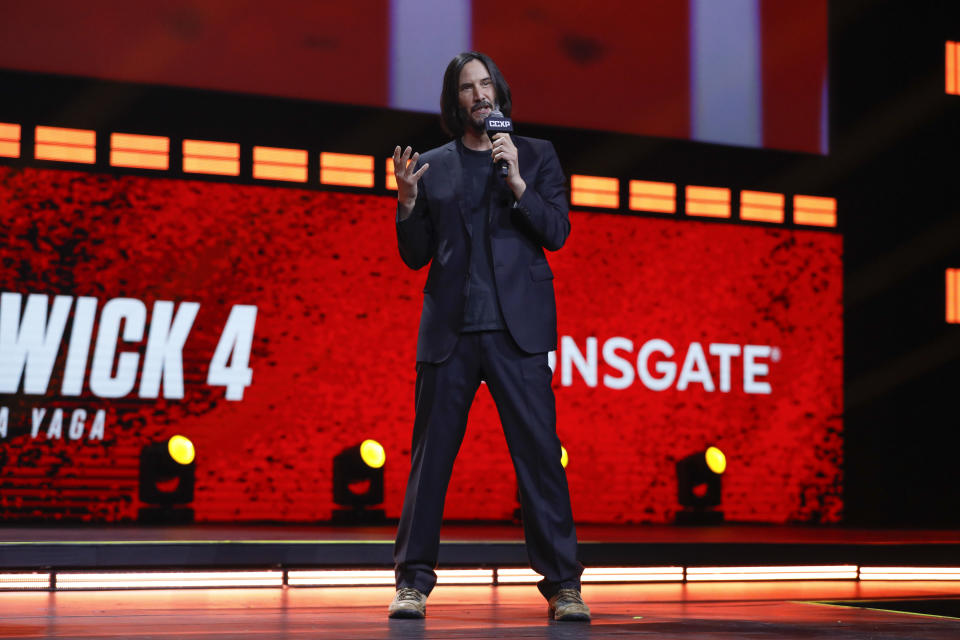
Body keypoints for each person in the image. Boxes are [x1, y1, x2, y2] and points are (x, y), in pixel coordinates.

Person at [389, 51, 589, 623]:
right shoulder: (432, 166)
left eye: (486, 85)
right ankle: (412, 584)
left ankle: (563, 587)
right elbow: (414, 255)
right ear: (455, 102)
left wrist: (519, 182)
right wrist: (406, 203)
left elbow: (556, 233)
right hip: (450, 334)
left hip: (517, 334)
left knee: (540, 460)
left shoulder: (537, 155)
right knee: (430, 464)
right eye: (467, 88)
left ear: (499, 93)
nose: (479, 95)